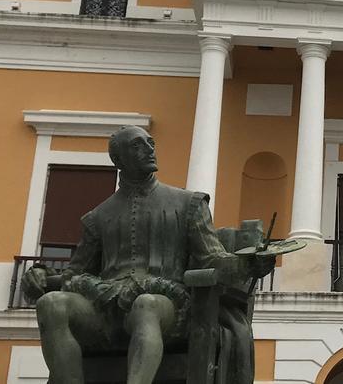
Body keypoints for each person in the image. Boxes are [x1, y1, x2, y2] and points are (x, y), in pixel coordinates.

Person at [21, 125, 270, 384]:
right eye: (138, 145)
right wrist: (40, 275)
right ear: (118, 160)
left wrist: (249, 263)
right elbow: (76, 273)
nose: (150, 149)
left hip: (167, 307)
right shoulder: (98, 217)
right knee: (51, 304)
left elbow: (212, 258)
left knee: (146, 304)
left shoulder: (189, 204)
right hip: (106, 307)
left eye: (150, 143)